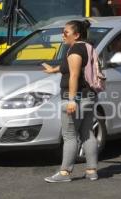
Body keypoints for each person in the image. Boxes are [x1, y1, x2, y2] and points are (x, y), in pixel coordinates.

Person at [42, 19, 99, 183]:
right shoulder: (87, 47)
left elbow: (74, 75)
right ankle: (91, 171)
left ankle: (65, 173)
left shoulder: (75, 50)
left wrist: (72, 100)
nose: (63, 35)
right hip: (89, 96)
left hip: (75, 97)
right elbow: (69, 68)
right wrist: (53, 70)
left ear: (77, 34)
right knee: (87, 133)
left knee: (69, 135)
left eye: (66, 32)